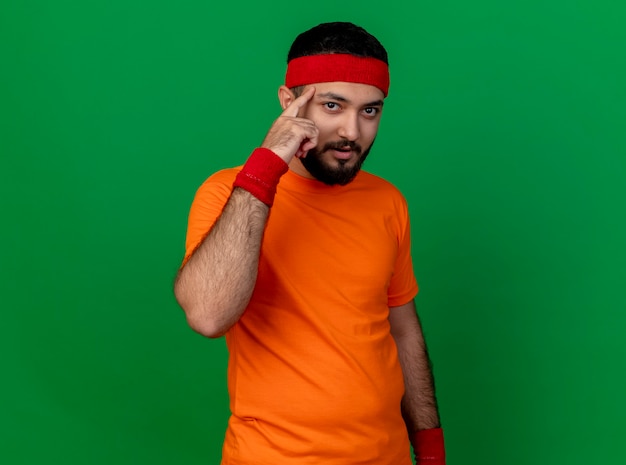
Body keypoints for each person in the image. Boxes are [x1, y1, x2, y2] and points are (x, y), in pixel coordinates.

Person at [174, 22, 446, 465]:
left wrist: (431, 451)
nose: (352, 131)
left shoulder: (387, 201)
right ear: (289, 103)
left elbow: (403, 331)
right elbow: (207, 315)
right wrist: (265, 166)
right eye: (333, 105)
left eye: (370, 111)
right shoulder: (228, 194)